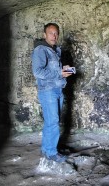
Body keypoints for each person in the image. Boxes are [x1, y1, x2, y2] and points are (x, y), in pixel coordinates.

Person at [31, 22, 74, 163]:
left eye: (56, 33)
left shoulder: (55, 50)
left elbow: (57, 71)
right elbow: (37, 72)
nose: (54, 36)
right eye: (51, 33)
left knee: (51, 122)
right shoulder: (40, 50)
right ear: (44, 35)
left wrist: (66, 70)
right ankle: (51, 153)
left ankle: (47, 148)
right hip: (48, 90)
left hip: (57, 89)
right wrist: (59, 73)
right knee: (53, 121)